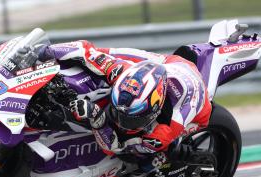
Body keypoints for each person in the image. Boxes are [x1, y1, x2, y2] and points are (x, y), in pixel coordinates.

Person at [48, 40, 212, 166]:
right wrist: (44, 51)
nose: (123, 123)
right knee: (102, 54)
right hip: (167, 64)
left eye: (133, 119)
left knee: (144, 159)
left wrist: (96, 118)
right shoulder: (119, 71)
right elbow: (84, 50)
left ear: (155, 110)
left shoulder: (167, 126)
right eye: (120, 115)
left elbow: (116, 147)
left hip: (198, 111)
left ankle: (171, 158)